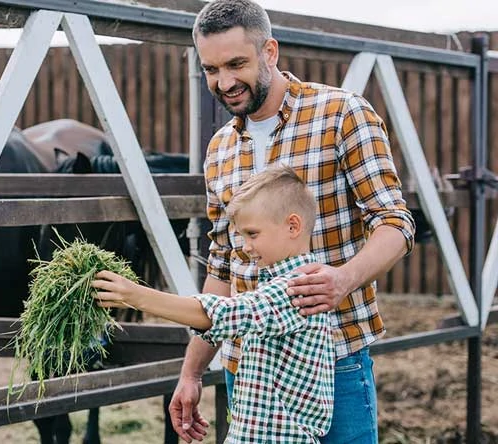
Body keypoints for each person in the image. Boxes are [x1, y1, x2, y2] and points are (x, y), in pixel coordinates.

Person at [169, 1, 416, 443]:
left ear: (270, 52)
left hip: (333, 363)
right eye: (210, 69)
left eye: (236, 64)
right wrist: (191, 372)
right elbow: (222, 268)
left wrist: (343, 279)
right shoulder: (220, 149)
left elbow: (394, 222)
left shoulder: (342, 115)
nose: (224, 83)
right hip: (248, 373)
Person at [93, 165, 335, 442]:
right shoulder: (277, 284)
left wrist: (137, 296)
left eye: (252, 234)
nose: (245, 246)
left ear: (293, 226)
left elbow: (225, 313)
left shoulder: (299, 289)